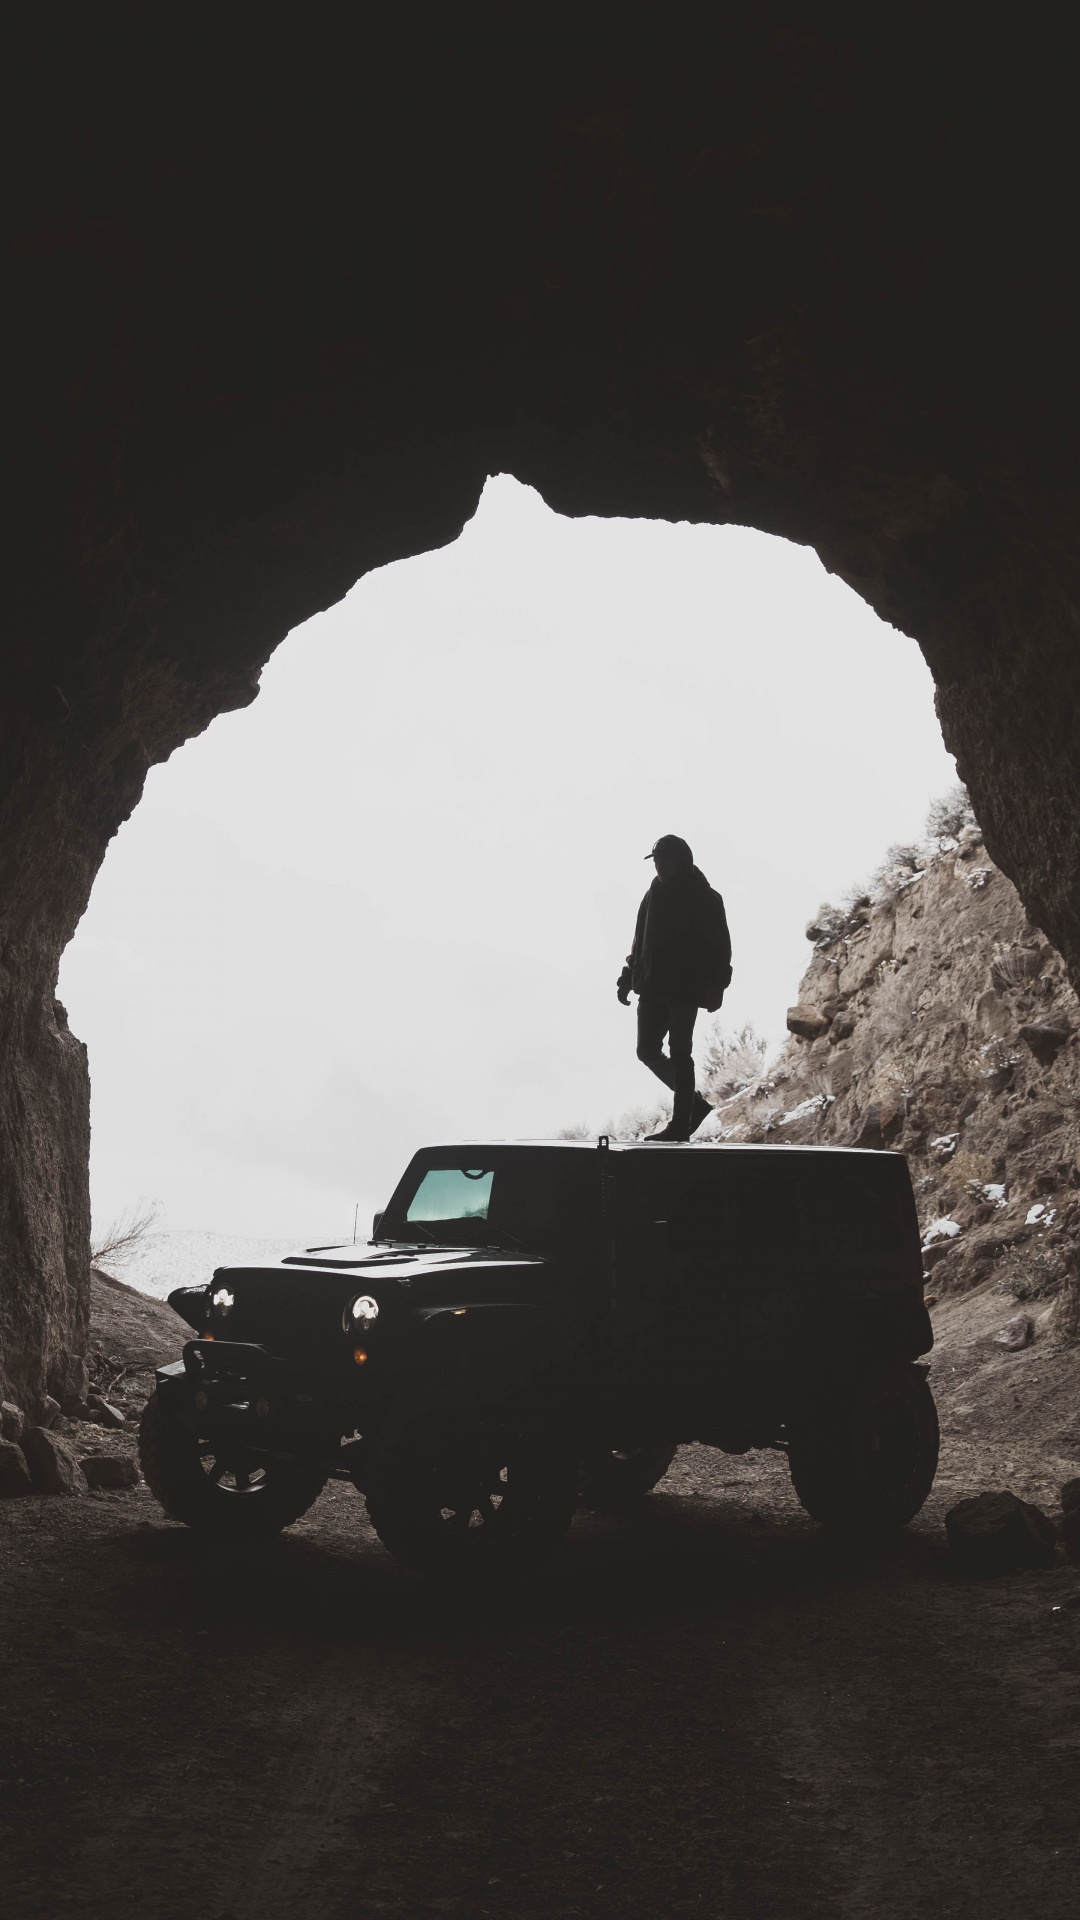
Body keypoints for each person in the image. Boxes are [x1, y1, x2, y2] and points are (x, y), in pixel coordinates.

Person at [617, 834, 732, 1142]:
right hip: (652, 986)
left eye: (663, 859)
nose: (658, 865)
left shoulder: (705, 897)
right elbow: (639, 940)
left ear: (681, 860)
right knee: (647, 1051)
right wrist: (627, 976)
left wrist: (717, 985)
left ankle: (680, 1124)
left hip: (685, 988)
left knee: (681, 1053)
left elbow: (721, 947)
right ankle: (692, 1104)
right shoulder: (651, 895)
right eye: (655, 860)